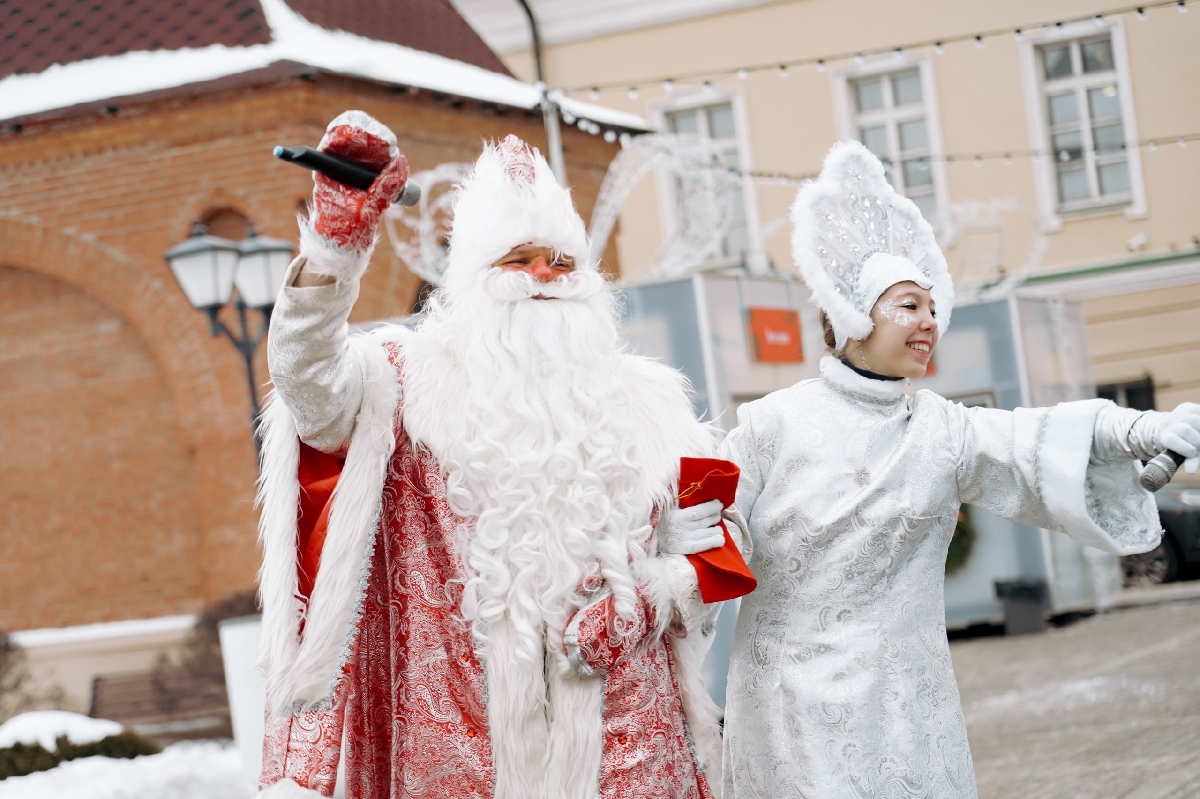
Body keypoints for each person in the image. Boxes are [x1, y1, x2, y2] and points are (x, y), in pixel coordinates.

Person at [255, 112, 742, 798]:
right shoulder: (405, 383)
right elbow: (308, 385)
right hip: (457, 748)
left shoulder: (655, 404)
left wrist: (654, 596)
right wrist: (335, 247)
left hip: (630, 744)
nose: (545, 274)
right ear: (473, 278)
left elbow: (724, 549)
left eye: (563, 261)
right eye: (518, 259)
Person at [717, 140, 1200, 799]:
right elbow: (703, 527)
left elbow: (1036, 439)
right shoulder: (772, 423)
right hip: (790, 713)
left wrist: (1145, 429)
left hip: (909, 712)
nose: (929, 322)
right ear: (852, 316)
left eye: (932, 307)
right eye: (907, 305)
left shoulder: (940, 428)